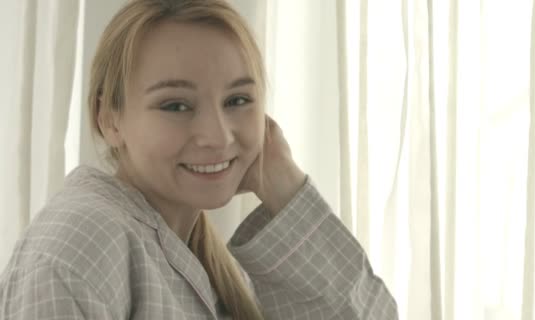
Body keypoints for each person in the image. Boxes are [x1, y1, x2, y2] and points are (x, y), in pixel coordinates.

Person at [0, 0, 398, 319]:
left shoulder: (212, 268)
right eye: (176, 105)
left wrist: (285, 184)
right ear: (109, 118)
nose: (218, 136)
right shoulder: (80, 245)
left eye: (238, 100)